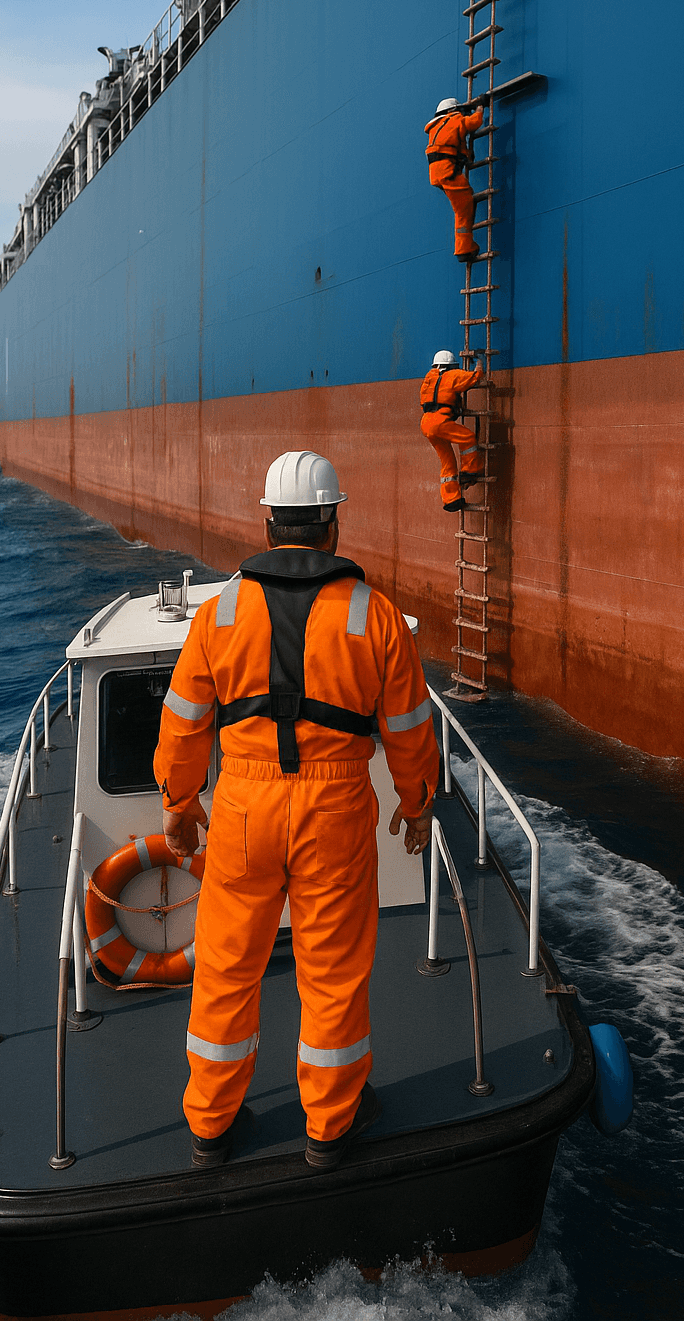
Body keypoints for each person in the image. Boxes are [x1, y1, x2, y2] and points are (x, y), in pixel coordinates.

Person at [153, 450, 439, 1171]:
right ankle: (329, 1127)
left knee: (225, 964)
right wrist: (416, 804)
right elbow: (408, 729)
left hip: (244, 807)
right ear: (333, 525)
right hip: (336, 809)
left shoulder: (217, 611)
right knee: (333, 969)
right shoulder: (376, 617)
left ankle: (211, 1126)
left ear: (269, 522)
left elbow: (184, 721)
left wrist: (180, 805)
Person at [420, 349, 486, 512]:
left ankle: (451, 500)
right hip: (441, 421)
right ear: (451, 365)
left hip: (426, 423)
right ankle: (469, 473)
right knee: (468, 438)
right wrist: (479, 364)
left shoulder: (428, 379)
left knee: (447, 461)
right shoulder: (453, 375)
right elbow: (474, 378)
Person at [424, 96, 484, 261]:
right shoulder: (453, 119)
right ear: (451, 111)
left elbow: (450, 144)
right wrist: (479, 109)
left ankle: (464, 247)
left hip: (438, 174)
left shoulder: (437, 127)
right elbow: (471, 124)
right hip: (447, 172)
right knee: (464, 207)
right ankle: (464, 249)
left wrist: (465, 156)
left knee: (461, 205)